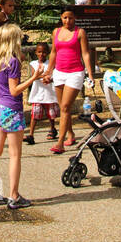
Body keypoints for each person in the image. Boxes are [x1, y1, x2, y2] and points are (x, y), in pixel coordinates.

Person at [0, 23, 37, 210]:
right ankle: (14, 195)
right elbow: (14, 91)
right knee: (14, 155)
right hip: (11, 110)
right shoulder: (13, 62)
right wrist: (32, 78)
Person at [49, 9, 94, 155]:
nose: (68, 21)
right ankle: (70, 133)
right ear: (61, 18)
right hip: (59, 72)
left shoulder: (80, 32)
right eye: (65, 18)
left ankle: (60, 142)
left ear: (75, 18)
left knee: (66, 107)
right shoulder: (56, 32)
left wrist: (90, 74)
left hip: (75, 72)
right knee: (63, 107)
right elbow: (53, 52)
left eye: (70, 18)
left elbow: (85, 54)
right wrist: (49, 71)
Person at [25, 41, 58, 146]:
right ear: (36, 52)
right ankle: (31, 134)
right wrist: (43, 76)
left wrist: (48, 78)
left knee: (51, 114)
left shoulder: (51, 64)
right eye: (39, 52)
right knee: (35, 114)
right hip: (38, 94)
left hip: (49, 93)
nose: (41, 54)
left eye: (44, 52)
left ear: (47, 53)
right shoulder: (34, 63)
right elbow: (33, 75)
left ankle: (53, 128)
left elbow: (54, 75)